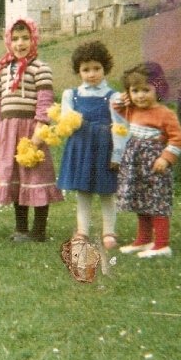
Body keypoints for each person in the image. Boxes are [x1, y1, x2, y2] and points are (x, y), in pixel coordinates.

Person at [0, 18, 63, 242]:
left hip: (31, 130)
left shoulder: (41, 68)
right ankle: (21, 229)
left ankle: (39, 230)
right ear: (8, 41)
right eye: (15, 39)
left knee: (36, 176)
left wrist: (38, 135)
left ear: (34, 39)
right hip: (8, 131)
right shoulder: (3, 70)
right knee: (15, 178)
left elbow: (45, 103)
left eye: (25, 38)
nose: (20, 43)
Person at [57, 41, 129, 250]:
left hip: (105, 147)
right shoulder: (71, 95)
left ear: (105, 68)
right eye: (86, 69)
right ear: (78, 71)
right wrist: (69, 120)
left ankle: (109, 231)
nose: (91, 74)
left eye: (96, 68)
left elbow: (120, 127)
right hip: (81, 147)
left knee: (107, 192)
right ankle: (82, 231)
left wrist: (117, 154)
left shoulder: (113, 97)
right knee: (83, 192)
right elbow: (65, 121)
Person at [114, 62, 181, 258]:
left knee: (157, 201)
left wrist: (166, 158)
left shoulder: (165, 114)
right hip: (136, 165)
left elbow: (178, 138)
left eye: (146, 90)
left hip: (155, 165)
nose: (140, 95)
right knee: (141, 200)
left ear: (158, 89)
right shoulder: (132, 110)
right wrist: (124, 97)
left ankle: (162, 244)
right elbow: (117, 106)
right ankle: (143, 239)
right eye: (135, 91)